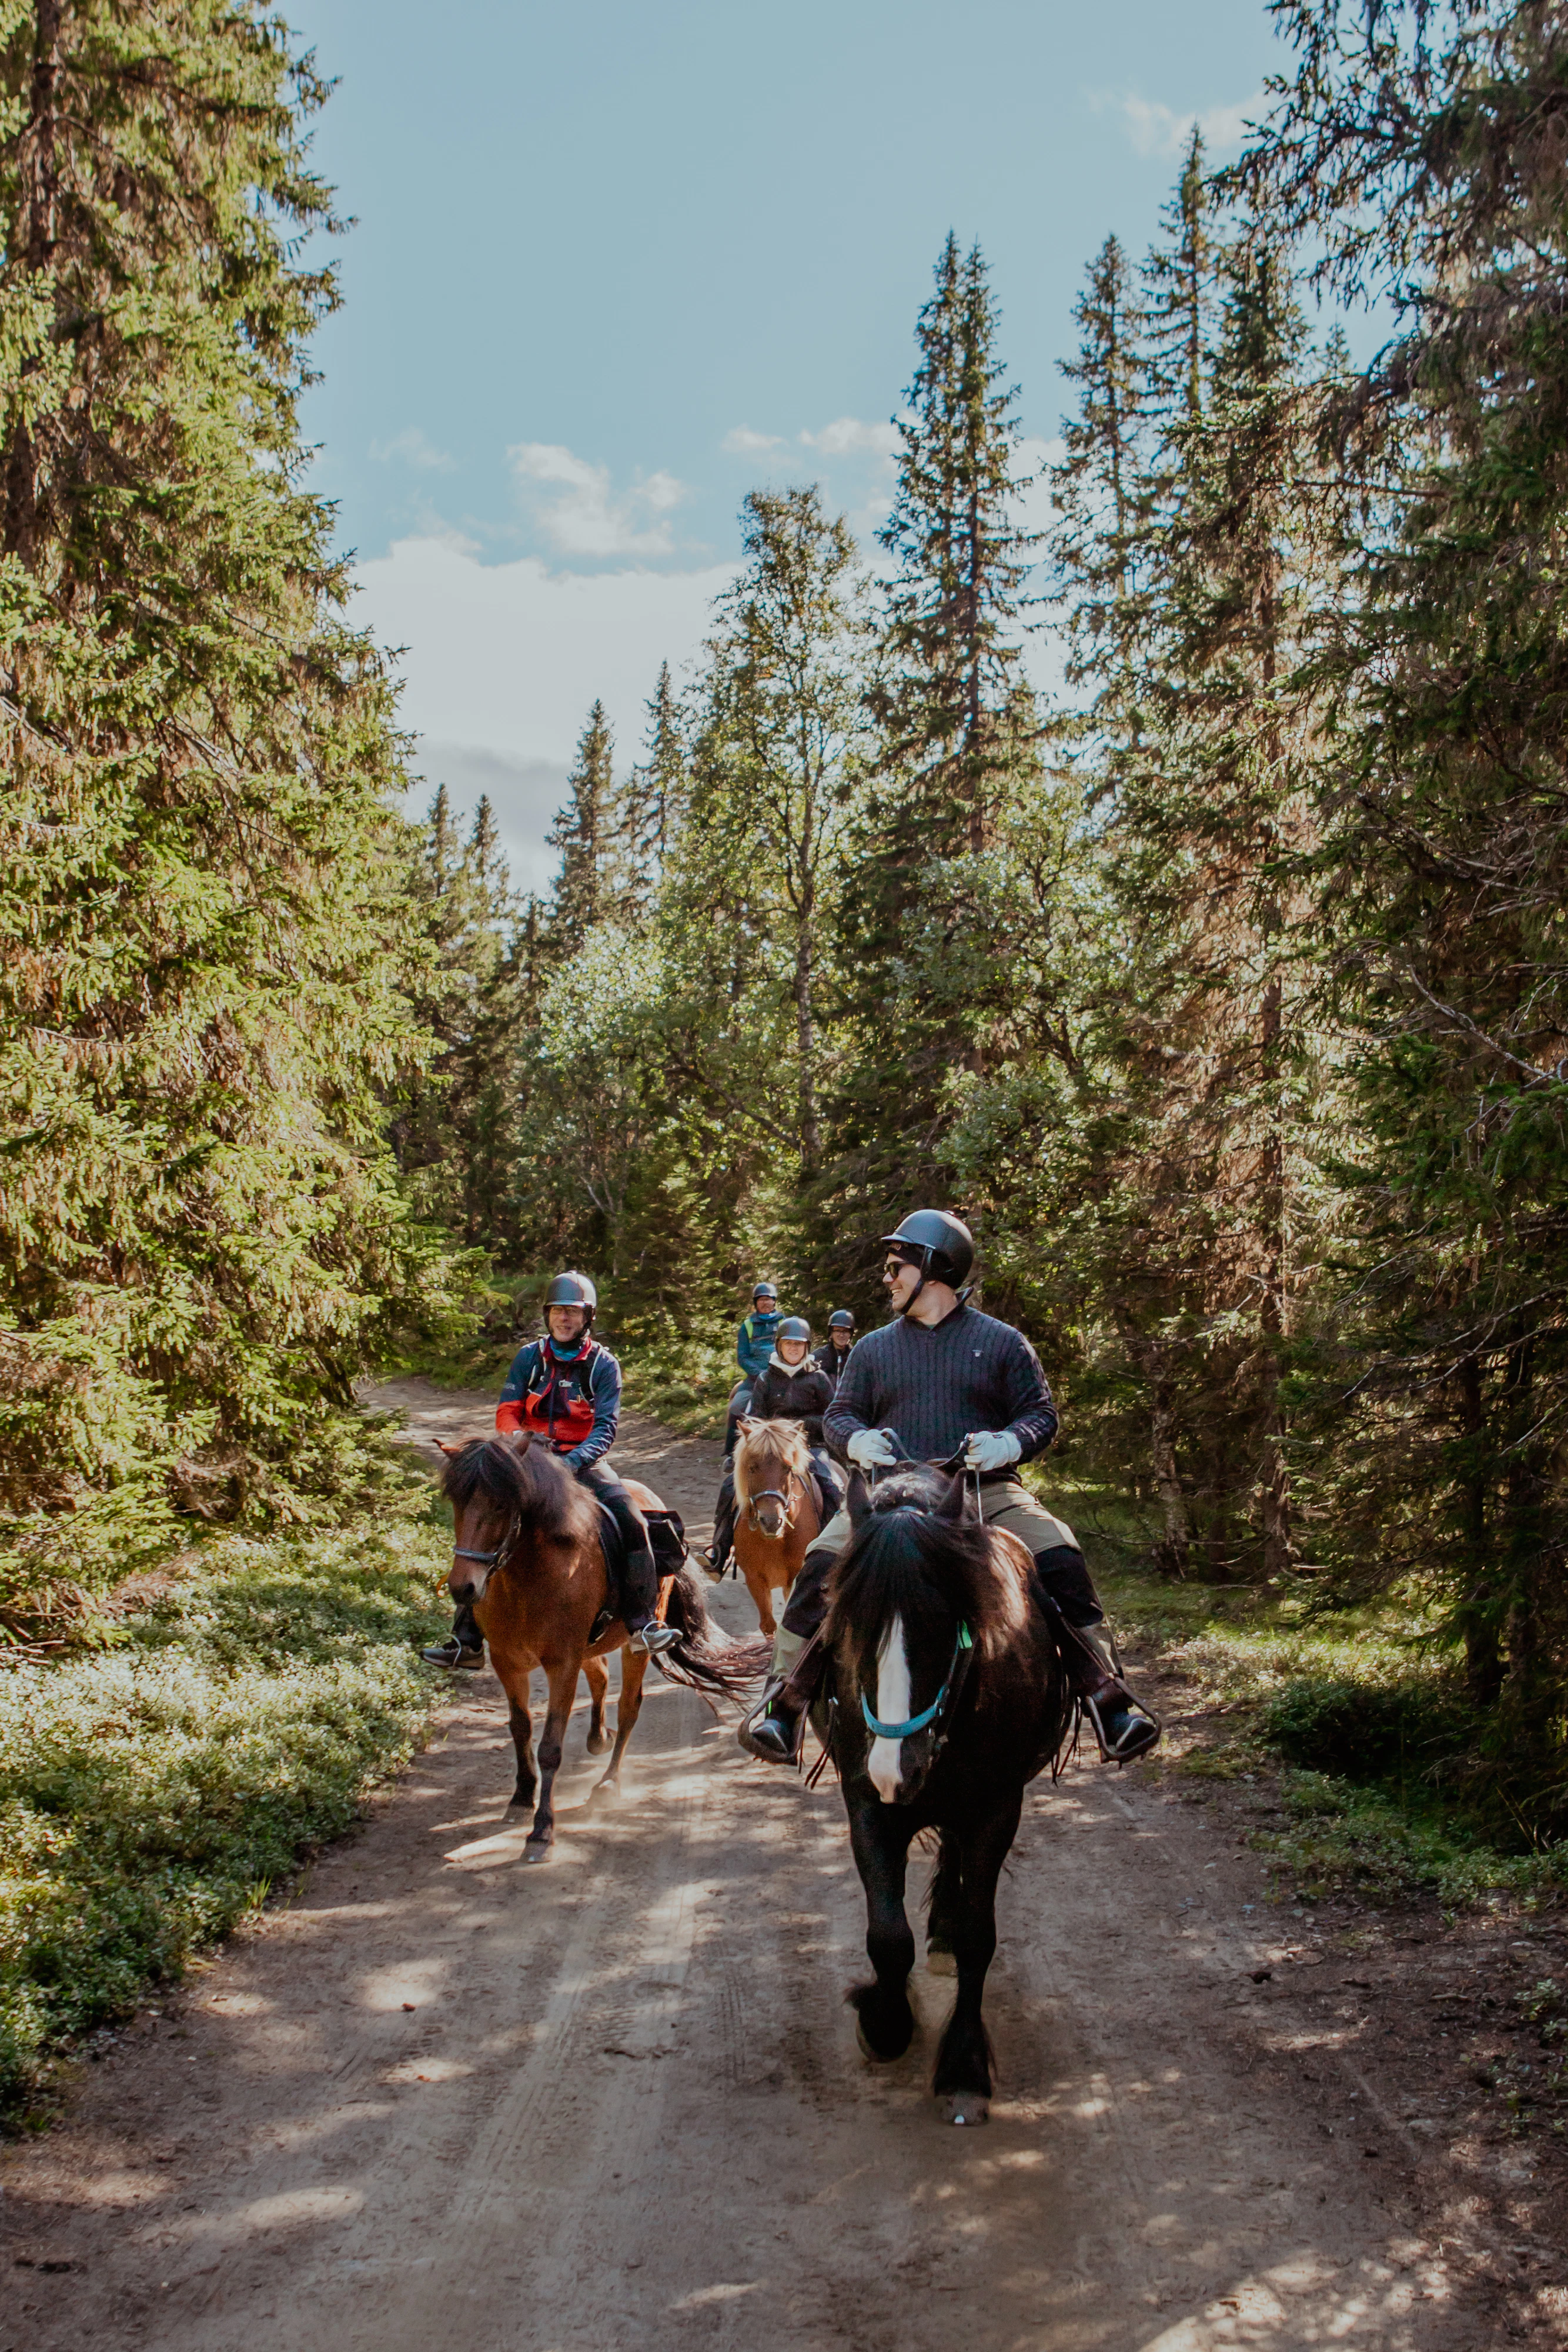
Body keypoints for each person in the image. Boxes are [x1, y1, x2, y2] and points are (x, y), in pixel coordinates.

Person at [738, 1210, 1159, 1766]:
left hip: (985, 1490)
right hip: (888, 1492)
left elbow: (1039, 1415)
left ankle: (1108, 1698)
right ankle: (783, 1703)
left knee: (1058, 1553)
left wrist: (1008, 1444)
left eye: (896, 1267)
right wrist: (856, 1441)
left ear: (933, 1267)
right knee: (819, 1561)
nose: (887, 1278)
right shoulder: (872, 1348)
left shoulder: (1003, 1343)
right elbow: (839, 1416)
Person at [422, 1270, 678, 1669]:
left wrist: (569, 1462)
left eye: (573, 1313)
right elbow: (508, 1410)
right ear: (548, 1315)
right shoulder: (529, 1357)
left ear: (586, 1318)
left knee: (633, 1520)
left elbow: (605, 1428)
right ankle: (466, 1638)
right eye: (558, 1311)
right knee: (480, 1520)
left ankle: (643, 1622)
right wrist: (517, 1442)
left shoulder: (603, 1364)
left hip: (583, 1462)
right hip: (527, 1461)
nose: (564, 1319)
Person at [704, 1318, 843, 1577]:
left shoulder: (819, 1378)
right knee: (728, 1489)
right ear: (779, 1346)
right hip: (770, 1449)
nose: (794, 1349)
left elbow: (833, 1416)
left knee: (832, 1485)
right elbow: (756, 1416)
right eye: (789, 1344)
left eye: (799, 1345)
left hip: (811, 1446)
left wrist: (798, 1425)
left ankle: (836, 1555)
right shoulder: (766, 1378)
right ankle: (719, 1553)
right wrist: (771, 1431)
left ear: (807, 1348)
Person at [724, 1280, 783, 1459]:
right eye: (761, 1300)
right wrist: (758, 1374)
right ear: (756, 1303)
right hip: (753, 1379)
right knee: (737, 1406)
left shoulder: (785, 1323)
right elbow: (742, 1357)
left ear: (774, 1301)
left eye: (768, 1299)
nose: (765, 1303)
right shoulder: (747, 1326)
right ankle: (731, 1454)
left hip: (781, 1377)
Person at [812, 1309, 856, 1391]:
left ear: (851, 1334)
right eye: (838, 1331)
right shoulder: (818, 1356)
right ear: (831, 1333)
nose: (842, 1335)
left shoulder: (856, 1356)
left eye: (846, 1331)